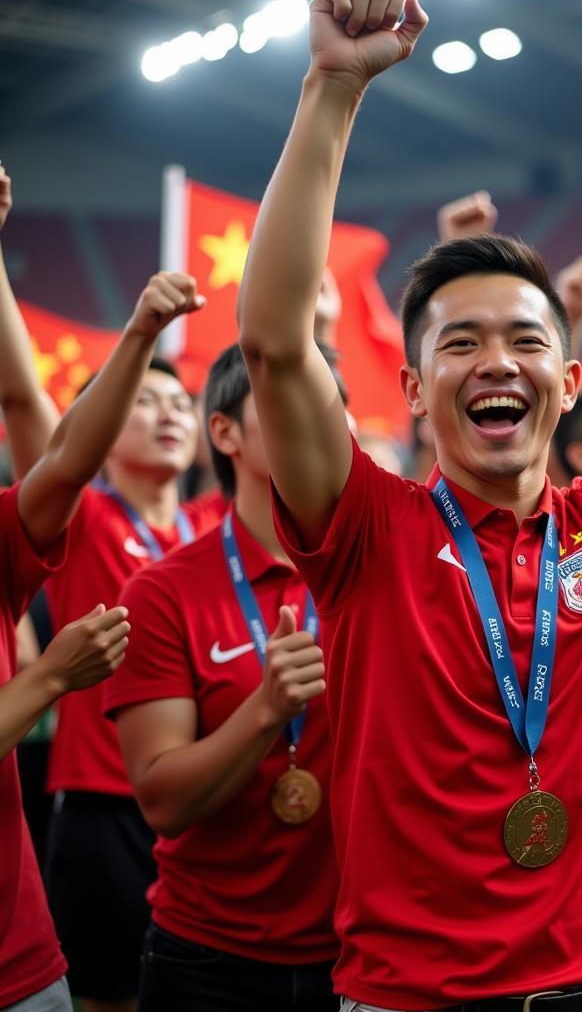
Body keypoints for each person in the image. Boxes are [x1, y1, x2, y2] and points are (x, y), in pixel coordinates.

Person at [238, 0, 582, 1009]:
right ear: (409, 390)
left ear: (569, 384)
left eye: (528, 341)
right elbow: (272, 343)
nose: (499, 361)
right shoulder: (363, 528)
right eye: (460, 342)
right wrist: (332, 87)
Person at [104, 343, 337, 1012]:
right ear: (225, 433)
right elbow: (163, 801)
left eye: (330, 404)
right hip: (210, 960)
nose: (318, 421)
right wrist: (265, 711)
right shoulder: (162, 593)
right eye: (283, 399)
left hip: (367, 951)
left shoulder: (379, 573)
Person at [0, 256, 201, 1011]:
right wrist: (141, 334)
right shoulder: (84, 521)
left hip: (203, 810)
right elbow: (36, 421)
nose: (169, 412)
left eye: (180, 401)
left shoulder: (216, 533)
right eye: (144, 402)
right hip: (102, 811)